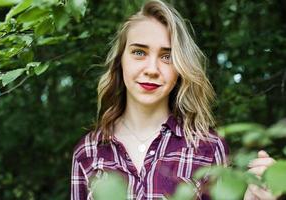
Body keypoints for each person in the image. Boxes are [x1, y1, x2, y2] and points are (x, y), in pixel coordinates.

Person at [71, 0, 276, 199]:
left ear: (180, 67)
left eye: (167, 56)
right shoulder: (88, 151)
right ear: (120, 61)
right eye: (139, 52)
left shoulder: (208, 147)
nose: (152, 69)